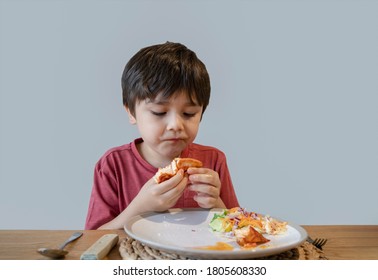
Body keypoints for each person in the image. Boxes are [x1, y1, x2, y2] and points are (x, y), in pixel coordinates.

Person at [85, 42, 239, 230]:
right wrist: (140, 207)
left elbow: (238, 228)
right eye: (159, 112)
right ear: (131, 113)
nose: (175, 125)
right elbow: (92, 240)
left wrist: (217, 204)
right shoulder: (113, 165)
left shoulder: (213, 160)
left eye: (189, 113)